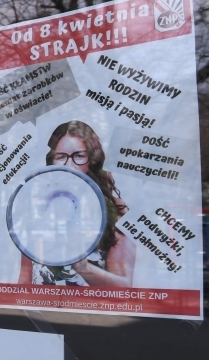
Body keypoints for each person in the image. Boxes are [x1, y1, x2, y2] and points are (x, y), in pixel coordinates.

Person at [18, 120, 135, 287]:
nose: (69, 165)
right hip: (47, 310)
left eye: (79, 156)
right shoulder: (38, 210)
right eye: (61, 157)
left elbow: (124, 288)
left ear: (92, 161)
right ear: (52, 161)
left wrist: (84, 268)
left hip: (89, 313)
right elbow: (24, 281)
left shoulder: (114, 211)